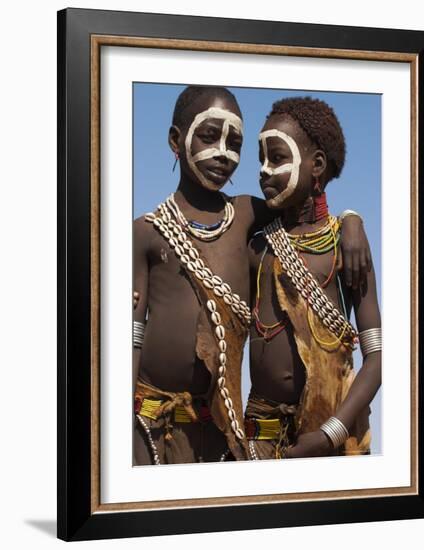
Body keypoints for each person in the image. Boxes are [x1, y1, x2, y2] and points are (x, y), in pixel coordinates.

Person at [133, 86, 371, 465]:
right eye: (210, 136)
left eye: (235, 143)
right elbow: (128, 339)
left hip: (222, 430)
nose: (224, 154)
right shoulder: (149, 231)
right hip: (152, 425)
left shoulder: (245, 216)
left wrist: (353, 220)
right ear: (176, 140)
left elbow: (305, 210)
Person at [245, 96, 381, 461]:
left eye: (277, 157)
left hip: (332, 436)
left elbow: (377, 358)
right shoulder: (257, 247)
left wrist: (328, 435)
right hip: (261, 437)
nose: (263, 169)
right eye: (261, 159)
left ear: (316, 164)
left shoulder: (347, 247)